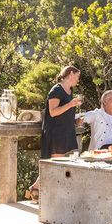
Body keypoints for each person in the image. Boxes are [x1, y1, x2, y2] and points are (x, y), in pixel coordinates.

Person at [26, 65, 82, 202]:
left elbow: (64, 113)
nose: (78, 80)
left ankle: (35, 190)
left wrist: (75, 122)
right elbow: (53, 112)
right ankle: (40, 192)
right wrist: (71, 105)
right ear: (70, 74)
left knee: (53, 165)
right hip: (55, 132)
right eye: (77, 76)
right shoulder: (56, 90)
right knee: (53, 166)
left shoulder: (70, 90)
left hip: (65, 131)